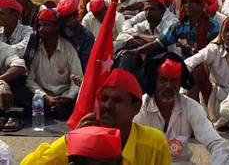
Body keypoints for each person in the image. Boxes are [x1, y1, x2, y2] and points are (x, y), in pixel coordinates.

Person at [21, 69, 171, 165]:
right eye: (104, 99)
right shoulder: (84, 138)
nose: (107, 105)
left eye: (117, 100)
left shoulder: (154, 142)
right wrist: (70, 140)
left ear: (136, 108)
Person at [135, 53, 229, 165]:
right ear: (154, 81)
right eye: (163, 80)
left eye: (174, 80)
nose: (169, 86)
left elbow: (216, 143)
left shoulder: (191, 107)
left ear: (181, 83)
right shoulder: (140, 108)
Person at [185, 16, 229, 127]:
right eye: (226, 30)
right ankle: (189, 120)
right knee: (197, 70)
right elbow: (192, 61)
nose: (228, 36)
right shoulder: (214, 49)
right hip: (215, 99)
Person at [25, 10, 83, 116]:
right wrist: (46, 97)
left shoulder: (69, 48)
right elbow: (30, 80)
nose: (41, 29)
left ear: (57, 27)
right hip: (41, 96)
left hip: (64, 97)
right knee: (20, 92)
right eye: (39, 25)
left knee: (83, 96)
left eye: (46, 25)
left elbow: (77, 79)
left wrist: (69, 98)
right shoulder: (35, 49)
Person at [55, 0, 95, 72]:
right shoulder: (59, 32)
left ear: (76, 14)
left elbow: (85, 65)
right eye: (62, 19)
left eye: (68, 18)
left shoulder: (86, 36)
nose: (65, 22)